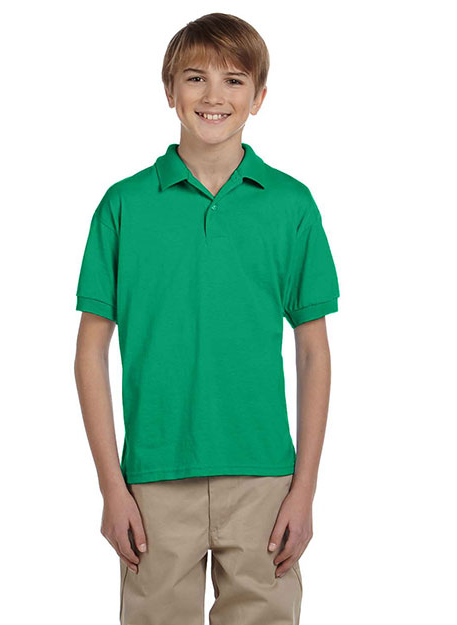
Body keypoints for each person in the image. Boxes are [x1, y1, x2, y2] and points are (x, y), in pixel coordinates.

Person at [74, 12, 340, 625]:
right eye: (196, 77)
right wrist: (111, 485)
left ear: (259, 96)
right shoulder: (123, 205)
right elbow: (90, 352)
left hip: (264, 475)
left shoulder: (292, 205)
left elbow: (313, 352)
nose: (214, 95)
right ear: (169, 91)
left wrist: (304, 487)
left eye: (234, 80)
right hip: (154, 475)